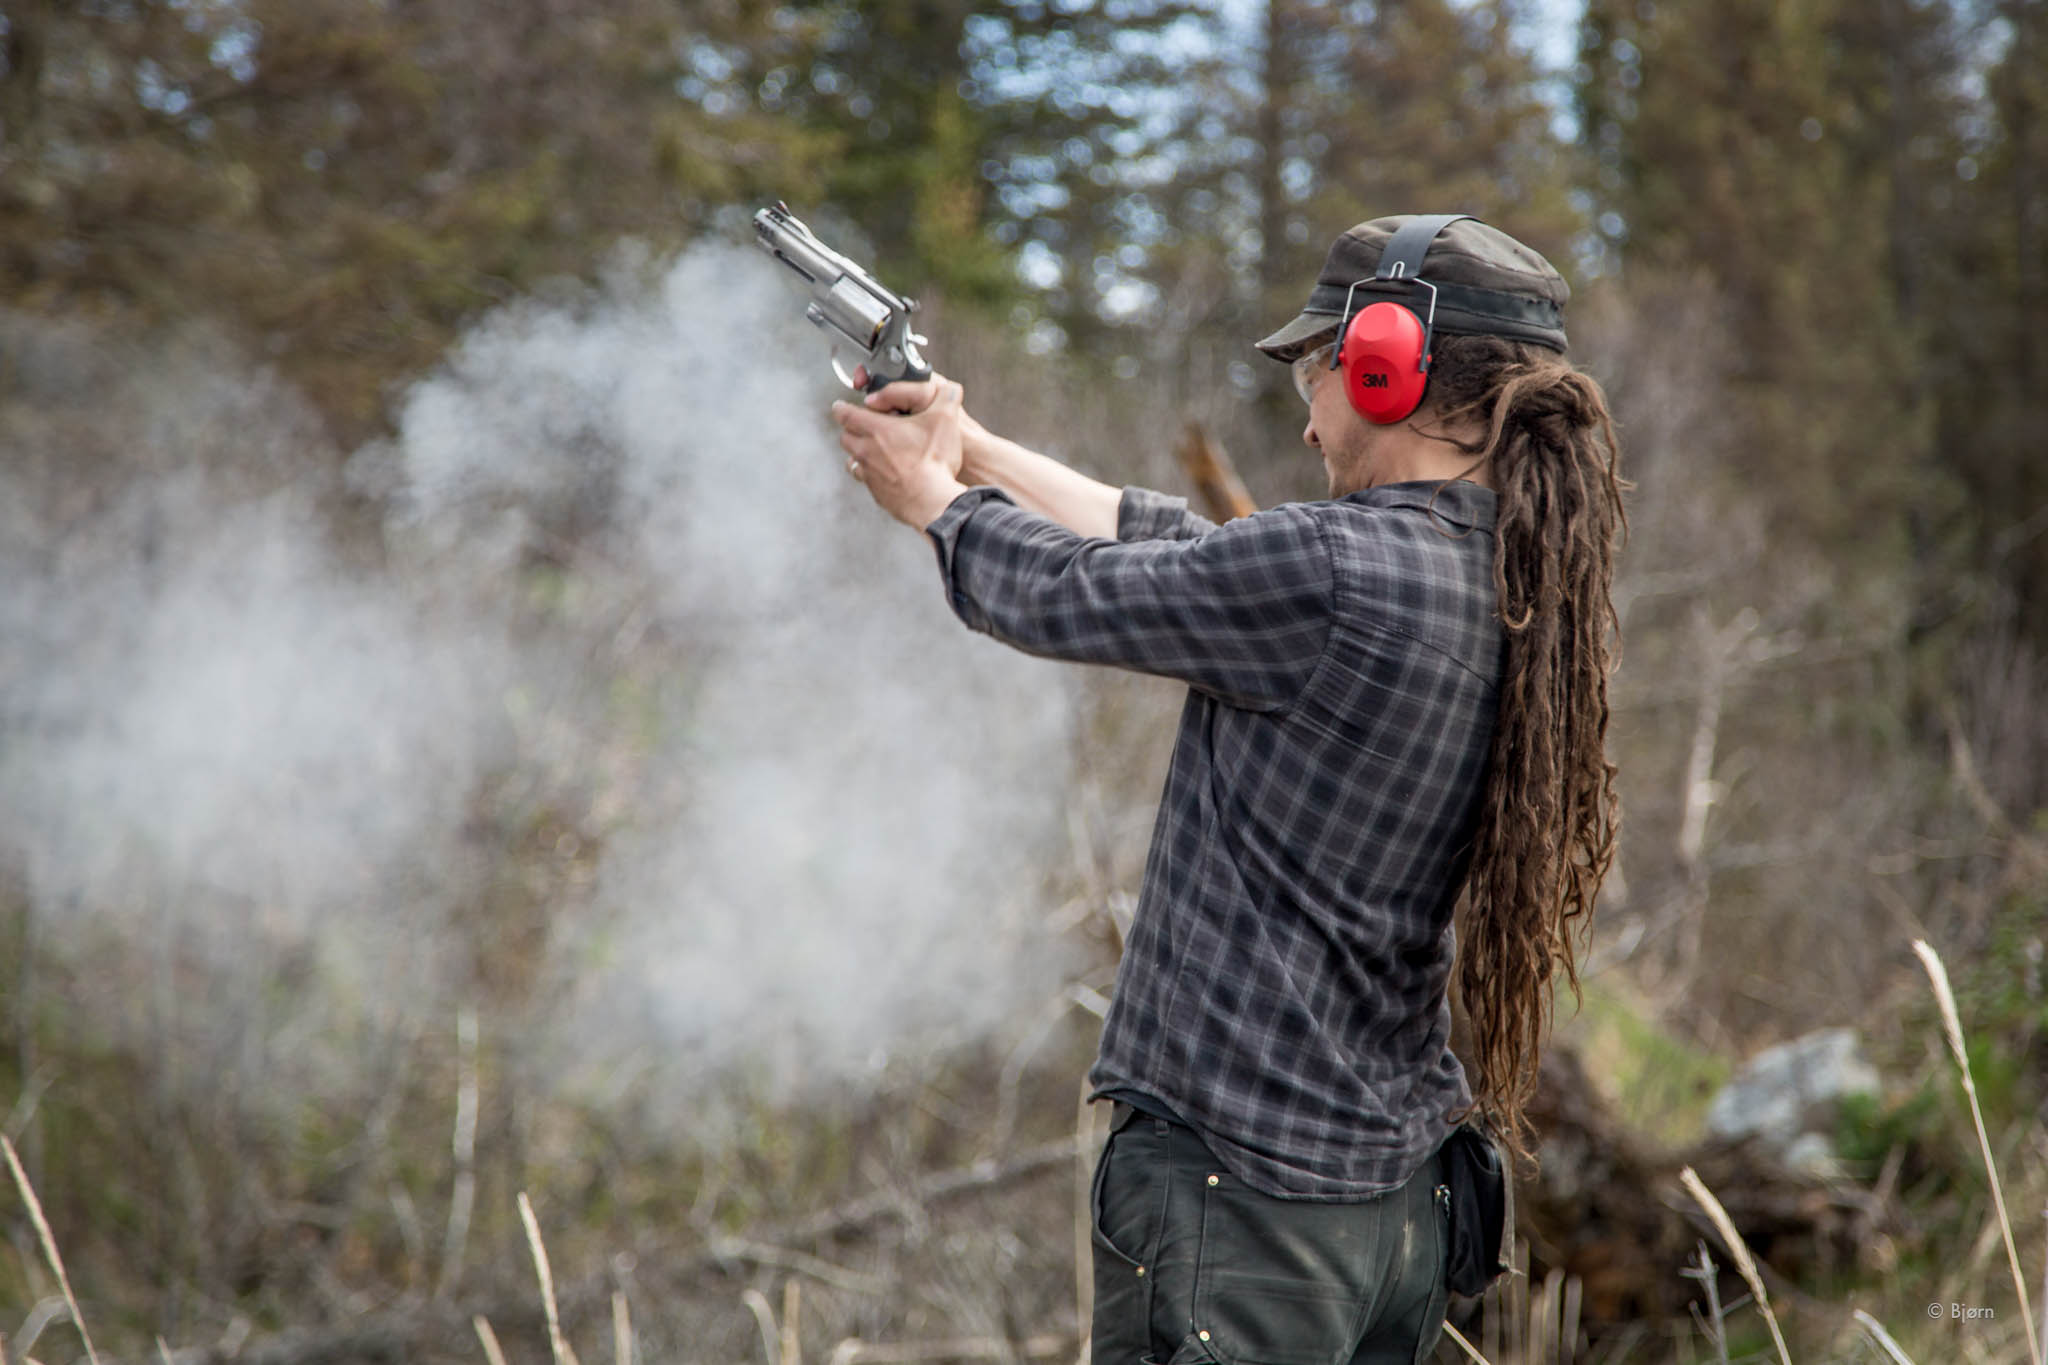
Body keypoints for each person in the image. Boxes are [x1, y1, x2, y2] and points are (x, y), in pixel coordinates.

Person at [829, 214, 1626, 1365]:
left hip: (1243, 1203)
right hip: (1384, 1208)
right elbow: (1179, 551)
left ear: (1386, 365)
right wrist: (978, 452)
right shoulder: (1499, 575)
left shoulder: (1331, 568)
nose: (1308, 419)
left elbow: (1068, 595)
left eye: (1321, 372)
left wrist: (934, 507)